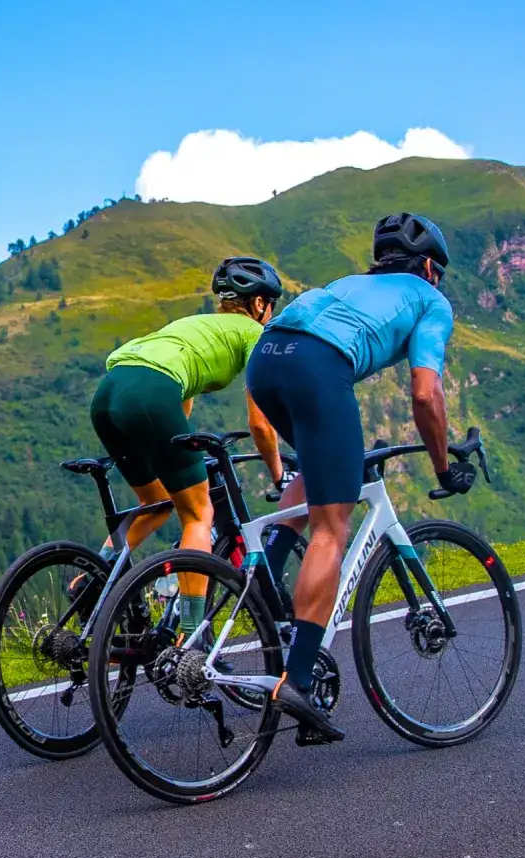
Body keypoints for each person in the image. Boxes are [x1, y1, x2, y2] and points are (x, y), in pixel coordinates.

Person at [245, 213, 474, 744]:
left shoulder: (354, 283)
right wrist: (444, 466)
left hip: (268, 358)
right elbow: (425, 394)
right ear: (430, 269)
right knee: (333, 525)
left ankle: (262, 582)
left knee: (315, 477)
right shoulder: (430, 300)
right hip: (317, 368)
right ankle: (298, 679)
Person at [86, 257, 289, 641]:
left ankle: (95, 574)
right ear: (260, 304)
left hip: (109, 393)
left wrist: (185, 457)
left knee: (156, 504)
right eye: (271, 304)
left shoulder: (195, 327)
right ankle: (194, 635)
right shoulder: (255, 335)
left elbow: (181, 406)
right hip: (150, 395)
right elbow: (260, 423)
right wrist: (278, 473)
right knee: (198, 513)